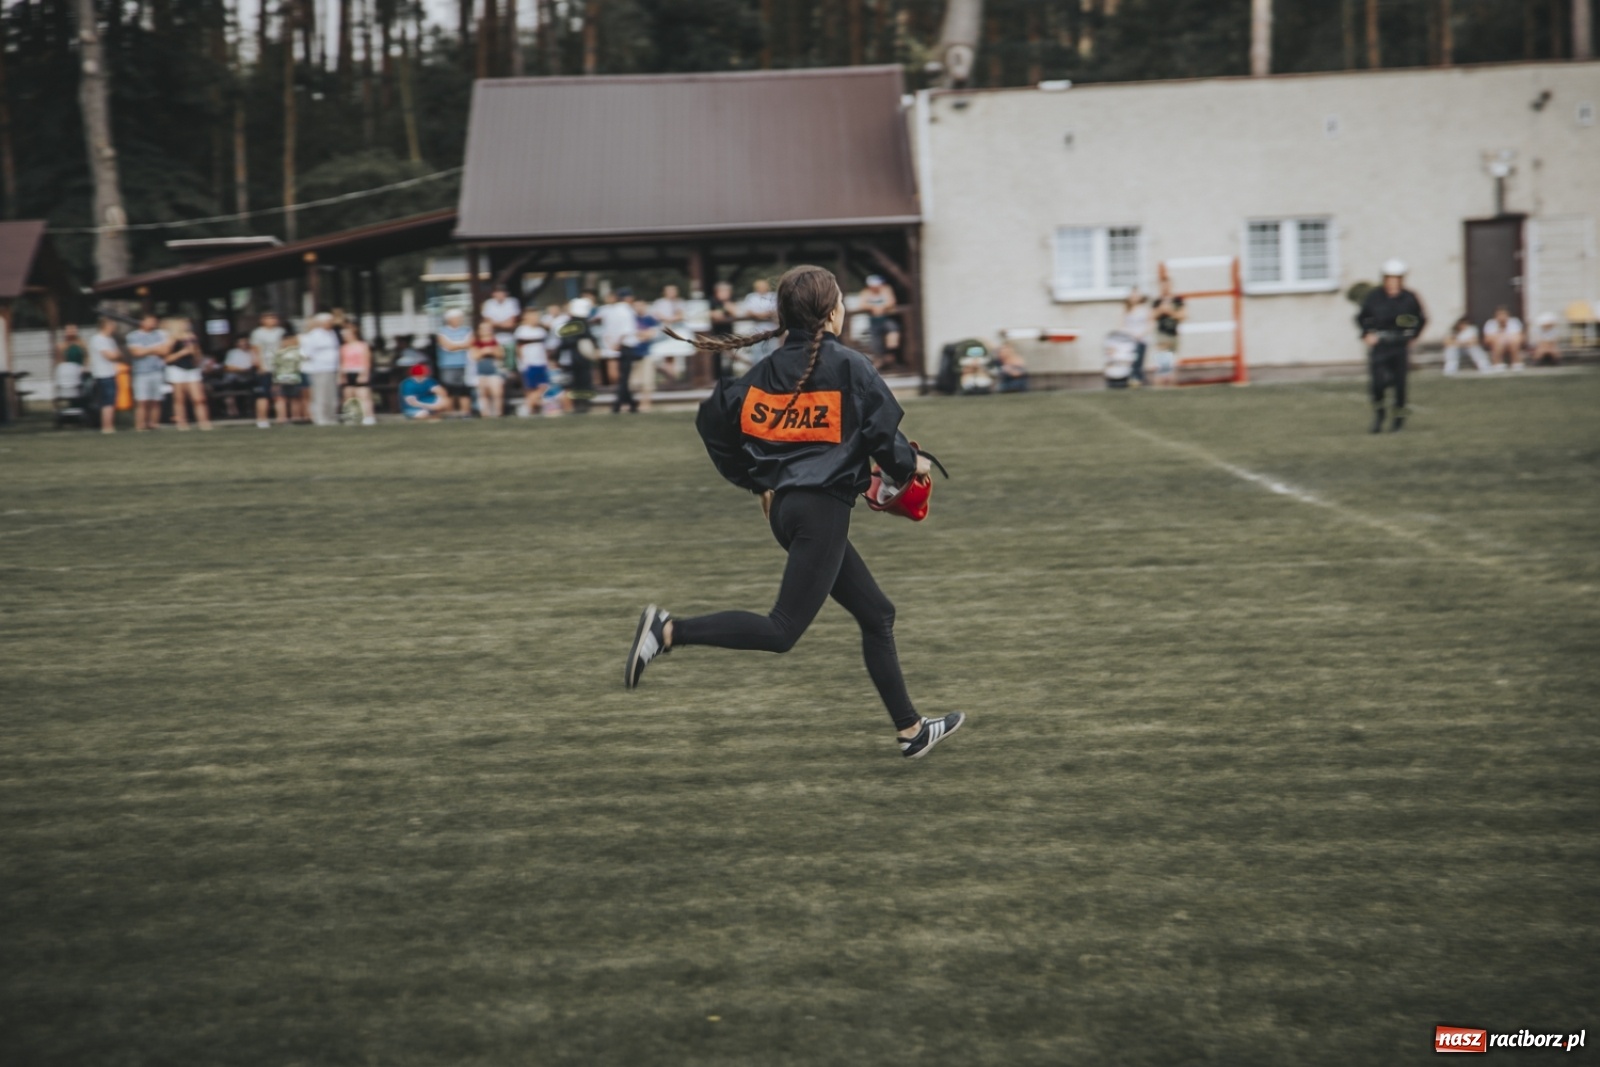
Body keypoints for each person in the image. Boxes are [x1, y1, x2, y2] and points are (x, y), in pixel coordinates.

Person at [624, 264, 964, 761]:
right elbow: (881, 436)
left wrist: (757, 480)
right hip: (820, 512)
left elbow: (713, 421)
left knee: (877, 613)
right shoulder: (850, 365)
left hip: (787, 511)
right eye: (842, 302)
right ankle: (668, 630)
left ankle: (911, 730)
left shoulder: (762, 372)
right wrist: (908, 466)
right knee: (782, 630)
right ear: (829, 314)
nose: (846, 309)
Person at [1356, 259, 1428, 433]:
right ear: (1384, 278)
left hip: (1399, 346)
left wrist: (1412, 334)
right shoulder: (1375, 297)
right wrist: (1367, 333)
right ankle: (1379, 416)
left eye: (1397, 278)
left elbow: (1420, 319)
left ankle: (1398, 420)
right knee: (1378, 385)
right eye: (1390, 278)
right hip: (1380, 346)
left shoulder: (1409, 298)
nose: (1393, 281)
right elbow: (1362, 317)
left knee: (1400, 386)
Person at [125, 314, 171, 432]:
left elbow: (165, 351)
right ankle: (140, 425)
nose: (153, 323)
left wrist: (145, 349)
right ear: (143, 322)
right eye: (150, 320)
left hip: (157, 371)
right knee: (142, 400)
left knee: (156, 400)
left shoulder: (160, 334)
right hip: (141, 372)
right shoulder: (133, 336)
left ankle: (153, 423)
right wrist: (155, 349)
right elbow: (136, 353)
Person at [613, 297, 659, 414]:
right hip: (633, 354)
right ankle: (631, 403)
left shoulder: (649, 319)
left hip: (646, 353)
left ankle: (645, 404)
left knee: (647, 382)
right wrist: (640, 335)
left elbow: (651, 334)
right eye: (636, 305)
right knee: (632, 382)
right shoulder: (631, 318)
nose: (638, 308)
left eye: (641, 305)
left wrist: (638, 335)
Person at [299, 312, 341, 425]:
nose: (331, 323)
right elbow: (306, 353)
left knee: (331, 395)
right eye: (329, 321)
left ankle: (331, 417)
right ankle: (320, 418)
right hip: (319, 369)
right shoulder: (313, 335)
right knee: (320, 395)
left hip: (332, 368)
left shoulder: (332, 333)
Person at [86, 318, 123, 434]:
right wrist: (116, 355)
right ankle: (107, 426)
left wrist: (116, 354)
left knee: (111, 401)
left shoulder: (110, 340)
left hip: (111, 373)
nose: (114, 327)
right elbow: (111, 356)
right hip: (103, 374)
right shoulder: (98, 339)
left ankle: (109, 425)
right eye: (111, 325)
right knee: (107, 402)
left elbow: (118, 354)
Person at [249, 312, 286, 428]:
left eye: (274, 317)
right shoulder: (258, 333)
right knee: (263, 395)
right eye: (269, 318)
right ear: (262, 320)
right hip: (264, 368)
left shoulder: (281, 332)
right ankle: (262, 420)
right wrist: (260, 366)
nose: (272, 320)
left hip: (278, 367)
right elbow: (255, 350)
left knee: (279, 394)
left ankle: (282, 419)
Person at [435, 309, 474, 416]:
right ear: (449, 319)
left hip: (464, 364)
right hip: (447, 365)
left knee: (464, 391)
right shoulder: (442, 331)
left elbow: (469, 343)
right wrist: (461, 345)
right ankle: (450, 414)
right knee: (449, 391)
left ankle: (465, 413)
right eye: (457, 318)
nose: (460, 320)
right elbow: (448, 346)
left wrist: (454, 345)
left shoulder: (467, 330)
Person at [513, 308, 550, 417]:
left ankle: (527, 407)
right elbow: (519, 348)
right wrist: (522, 362)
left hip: (541, 362)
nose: (535, 318)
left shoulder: (541, 331)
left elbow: (545, 348)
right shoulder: (521, 330)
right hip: (529, 363)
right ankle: (529, 409)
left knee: (543, 386)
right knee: (530, 388)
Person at [858, 275, 900, 366]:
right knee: (876, 343)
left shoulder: (886, 289)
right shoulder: (865, 292)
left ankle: (891, 354)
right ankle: (880, 361)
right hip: (874, 321)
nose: (878, 287)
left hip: (886, 319)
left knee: (893, 331)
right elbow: (862, 304)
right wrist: (873, 307)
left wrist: (882, 307)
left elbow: (891, 301)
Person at [1151, 278, 1185, 387]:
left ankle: (1172, 385)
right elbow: (1151, 316)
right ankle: (1160, 385)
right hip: (1162, 334)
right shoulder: (1157, 301)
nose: (1166, 288)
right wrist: (1161, 310)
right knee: (1162, 363)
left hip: (1173, 334)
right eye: (1163, 285)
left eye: (1168, 285)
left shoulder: (1177, 300)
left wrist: (1170, 311)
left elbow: (1183, 316)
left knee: (1173, 363)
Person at [339, 324, 376, 425]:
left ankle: (368, 416)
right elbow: (342, 362)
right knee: (348, 396)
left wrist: (364, 374)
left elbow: (366, 361)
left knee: (363, 396)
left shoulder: (362, 345)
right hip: (348, 372)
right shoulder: (344, 347)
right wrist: (341, 375)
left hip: (359, 371)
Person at [706, 281, 741, 380]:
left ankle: (729, 376)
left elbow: (735, 312)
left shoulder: (731, 300)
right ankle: (715, 377)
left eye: (728, 291)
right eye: (724, 291)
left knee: (729, 358)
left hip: (728, 334)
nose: (727, 293)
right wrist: (722, 311)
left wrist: (726, 306)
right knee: (715, 357)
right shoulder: (711, 301)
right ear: (717, 292)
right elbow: (710, 314)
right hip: (714, 334)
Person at [471, 320, 506, 418]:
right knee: (483, 394)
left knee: (497, 393)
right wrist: (484, 351)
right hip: (481, 372)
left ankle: (498, 413)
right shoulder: (476, 343)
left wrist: (491, 352)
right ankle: (485, 414)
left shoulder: (496, 342)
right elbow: (474, 356)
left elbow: (500, 354)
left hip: (494, 372)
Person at [270, 332, 308, 424]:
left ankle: (282, 418)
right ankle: (295, 418)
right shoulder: (297, 352)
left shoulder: (278, 352)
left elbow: (274, 366)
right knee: (291, 399)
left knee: (284, 399)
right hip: (293, 377)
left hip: (281, 378)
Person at [1120, 290, 1152, 386]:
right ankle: (1134, 377)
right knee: (1131, 360)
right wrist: (1130, 334)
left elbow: (1150, 323)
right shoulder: (1126, 310)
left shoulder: (1144, 310)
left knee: (1139, 359)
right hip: (1129, 340)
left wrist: (1141, 334)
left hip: (1142, 339)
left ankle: (1138, 377)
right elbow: (1122, 325)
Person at [480, 284, 521, 352]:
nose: (500, 294)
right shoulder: (488, 303)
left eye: (502, 292)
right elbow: (488, 323)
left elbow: (511, 323)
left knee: (510, 359)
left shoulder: (512, 301)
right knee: (496, 360)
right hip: (494, 337)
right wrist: (503, 324)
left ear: (506, 293)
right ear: (493, 294)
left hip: (510, 336)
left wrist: (496, 324)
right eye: (497, 292)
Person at [1482, 306, 1525, 371]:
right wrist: (1502, 338)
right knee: (1499, 341)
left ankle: (1516, 363)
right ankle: (1497, 363)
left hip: (1512, 343)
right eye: (1499, 314)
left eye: (1504, 314)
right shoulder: (1490, 323)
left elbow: (1520, 337)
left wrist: (1505, 338)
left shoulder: (1514, 322)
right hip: (1496, 344)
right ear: (1495, 316)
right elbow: (1487, 339)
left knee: (1514, 341)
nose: (1502, 317)